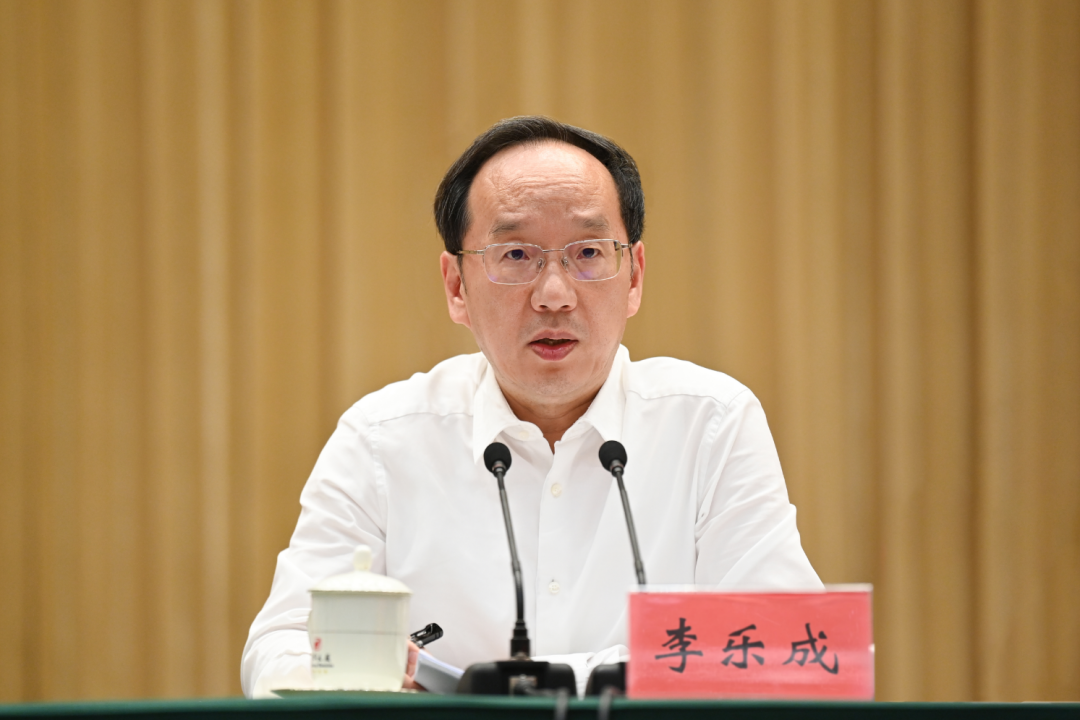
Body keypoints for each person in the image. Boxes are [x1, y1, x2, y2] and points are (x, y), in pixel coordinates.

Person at [241, 116, 821, 698]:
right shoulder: (381, 440)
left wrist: (515, 689)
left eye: (588, 252)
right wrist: (368, 676)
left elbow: (785, 649)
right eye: (516, 254)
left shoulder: (711, 424)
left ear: (634, 277)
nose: (554, 295)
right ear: (456, 287)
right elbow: (278, 650)